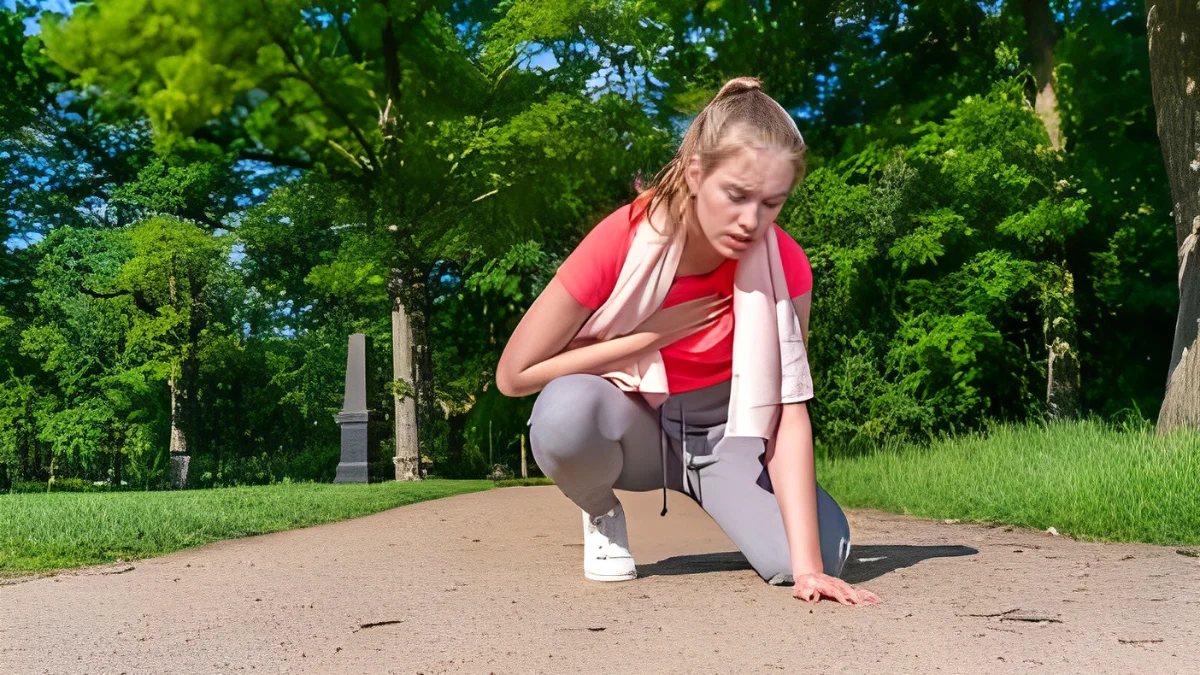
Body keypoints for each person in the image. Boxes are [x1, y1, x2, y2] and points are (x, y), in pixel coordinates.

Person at [495, 76, 880, 607]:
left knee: (814, 558)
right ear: (697, 173)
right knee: (565, 414)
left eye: (772, 203)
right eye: (737, 195)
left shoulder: (785, 262)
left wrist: (809, 567)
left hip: (730, 436)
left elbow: (789, 407)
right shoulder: (624, 238)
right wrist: (646, 339)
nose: (752, 221)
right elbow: (513, 377)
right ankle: (602, 511)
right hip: (637, 422)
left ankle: (742, 504)